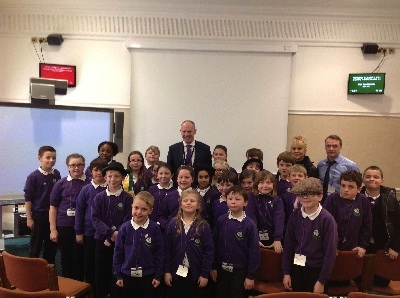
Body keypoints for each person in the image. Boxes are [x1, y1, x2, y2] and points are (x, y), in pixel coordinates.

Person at [282, 178, 338, 293]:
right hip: (296, 267)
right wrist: (286, 272)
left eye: (310, 194)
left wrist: (322, 281)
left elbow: (330, 253)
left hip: (316, 271)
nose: (306, 197)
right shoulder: (295, 215)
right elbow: (288, 245)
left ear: (320, 196)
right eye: (302, 194)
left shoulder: (327, 220)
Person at [92, 161, 133, 298]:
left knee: (118, 271)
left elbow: (128, 220)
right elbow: (96, 219)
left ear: (122, 178)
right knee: (101, 271)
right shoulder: (99, 197)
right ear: (105, 178)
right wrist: (110, 234)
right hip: (101, 241)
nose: (113, 179)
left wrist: (114, 237)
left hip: (120, 241)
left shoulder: (128, 199)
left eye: (116, 176)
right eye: (109, 176)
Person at [211, 185, 260, 298]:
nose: (233, 202)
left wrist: (250, 276)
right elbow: (214, 245)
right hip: (221, 270)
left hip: (240, 271)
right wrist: (213, 267)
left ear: (245, 202)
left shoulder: (249, 225)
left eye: (237, 199)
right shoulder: (221, 220)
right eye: (230, 199)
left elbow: (254, 252)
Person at [163, 190, 214, 298]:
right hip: (175, 273)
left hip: (196, 274)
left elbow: (208, 251)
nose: (189, 203)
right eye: (185, 200)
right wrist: (167, 271)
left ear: (198, 205)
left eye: (192, 201)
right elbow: (167, 249)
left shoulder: (204, 226)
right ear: (180, 204)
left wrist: (205, 274)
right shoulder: (173, 224)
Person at [114, 191, 164, 298]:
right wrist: (118, 275)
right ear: (132, 207)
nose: (139, 212)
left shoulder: (154, 228)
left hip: (148, 275)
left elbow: (159, 253)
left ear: (151, 211)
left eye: (144, 209)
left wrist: (158, 275)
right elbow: (118, 252)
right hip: (127, 274)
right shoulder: (125, 228)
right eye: (136, 208)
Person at [49, 153, 90, 280]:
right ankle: (68, 287)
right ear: (68, 167)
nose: (76, 168)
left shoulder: (89, 183)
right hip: (64, 225)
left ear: (84, 166)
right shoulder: (60, 183)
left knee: (80, 258)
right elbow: (53, 207)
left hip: (84, 227)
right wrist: (53, 230)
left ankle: (79, 288)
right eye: (73, 165)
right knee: (66, 257)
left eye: (79, 165)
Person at [361, 166, 400, 287]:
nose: (371, 179)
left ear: (382, 181)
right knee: (360, 280)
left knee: (380, 282)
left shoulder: (391, 200)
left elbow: (398, 225)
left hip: (384, 247)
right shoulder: (356, 198)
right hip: (362, 246)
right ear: (363, 180)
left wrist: (395, 247)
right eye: (368, 176)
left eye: (376, 177)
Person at [74, 157, 108, 291]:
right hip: (89, 233)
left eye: (102, 170)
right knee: (89, 264)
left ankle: (103, 290)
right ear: (91, 171)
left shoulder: (110, 189)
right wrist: (78, 232)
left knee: (103, 264)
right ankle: (90, 290)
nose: (99, 173)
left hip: (105, 234)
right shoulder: (86, 189)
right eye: (96, 170)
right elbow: (79, 210)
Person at [24, 145, 60, 264]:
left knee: (51, 246)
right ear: (40, 158)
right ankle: (33, 272)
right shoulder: (33, 176)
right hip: (39, 215)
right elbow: (28, 200)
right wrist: (29, 218)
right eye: (48, 157)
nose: (51, 160)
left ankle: (48, 272)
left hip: (54, 215)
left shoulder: (57, 174)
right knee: (36, 246)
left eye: (54, 158)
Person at [323, 170, 372, 258]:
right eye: (343, 186)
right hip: (332, 247)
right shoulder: (332, 198)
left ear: (359, 189)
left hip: (354, 248)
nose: (346, 190)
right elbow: (324, 225)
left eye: (351, 187)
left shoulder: (363, 200)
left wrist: (362, 246)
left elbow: (366, 225)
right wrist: (329, 245)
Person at [246, 170, 284, 253]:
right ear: (256, 185)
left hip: (273, 239)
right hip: (255, 237)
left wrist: (277, 239)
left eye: (268, 183)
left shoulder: (277, 200)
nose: (265, 186)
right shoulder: (251, 198)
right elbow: (251, 219)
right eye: (261, 182)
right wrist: (254, 238)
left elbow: (279, 220)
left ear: (273, 185)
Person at [158, 166, 207, 230]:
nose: (183, 180)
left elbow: (203, 216)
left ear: (192, 179)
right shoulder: (169, 196)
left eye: (187, 177)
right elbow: (162, 215)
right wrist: (169, 226)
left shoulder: (198, 197)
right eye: (180, 177)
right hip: (172, 232)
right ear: (177, 179)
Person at [317, 135, 359, 203]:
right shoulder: (321, 165)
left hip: (342, 203)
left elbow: (357, 186)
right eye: (328, 146)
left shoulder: (350, 165)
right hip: (322, 203)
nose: (331, 149)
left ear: (341, 147)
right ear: (325, 147)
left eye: (335, 146)